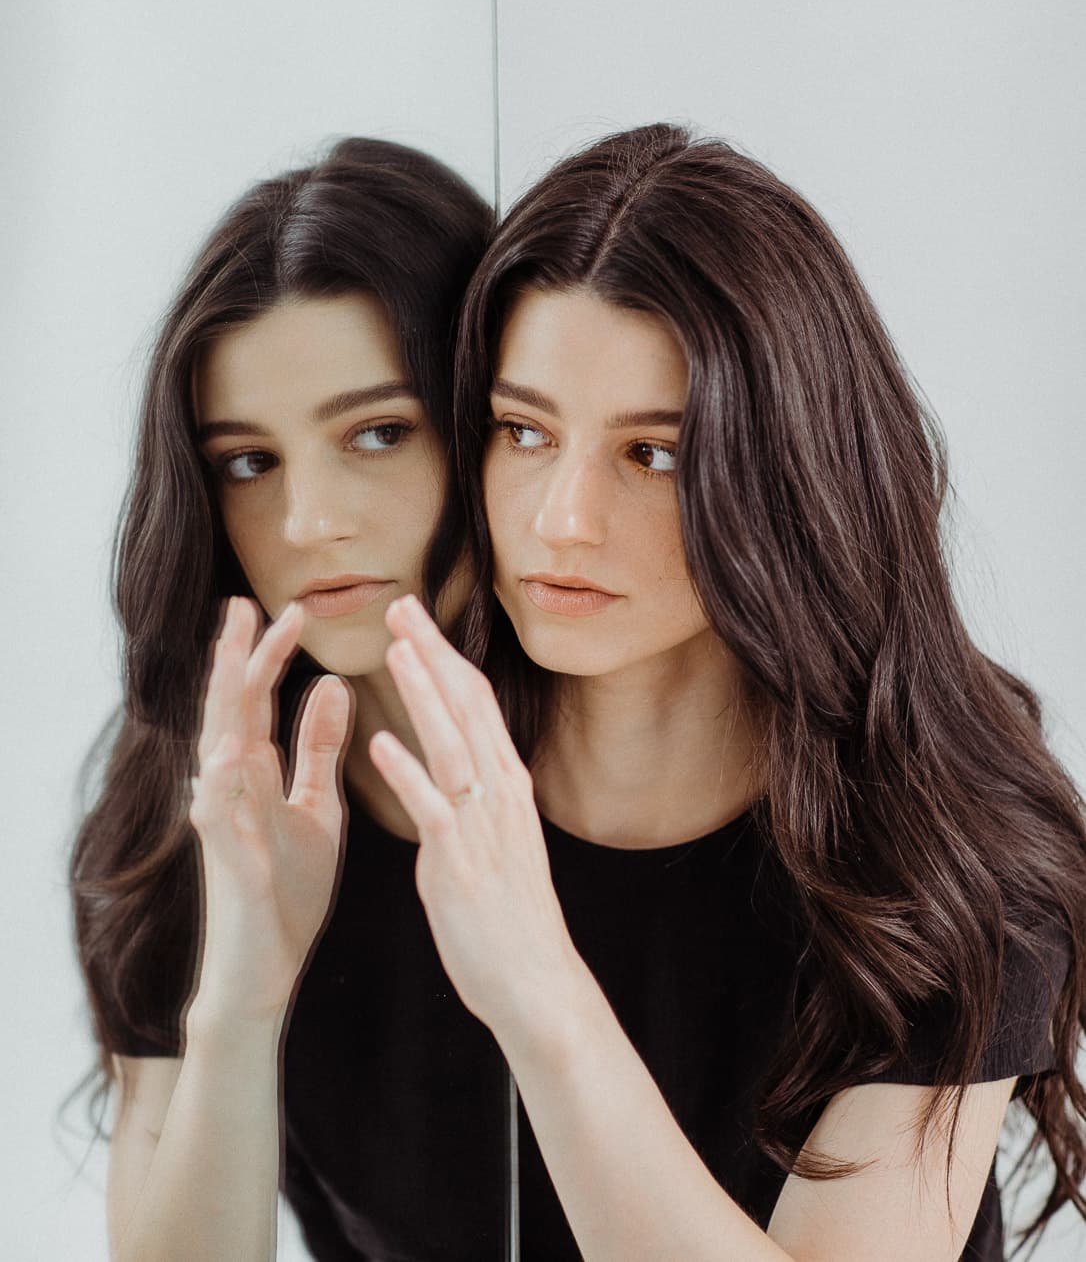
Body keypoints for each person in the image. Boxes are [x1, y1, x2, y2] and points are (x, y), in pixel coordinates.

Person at [364, 124, 1086, 1261]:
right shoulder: (390, 798)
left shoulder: (940, 867)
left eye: (652, 454)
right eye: (524, 431)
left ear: (785, 470)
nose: (562, 519)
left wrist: (541, 992)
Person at [69, 137, 501, 1260]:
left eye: (377, 433)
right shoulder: (196, 792)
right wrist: (242, 998)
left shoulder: (675, 770)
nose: (310, 523)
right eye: (249, 463)